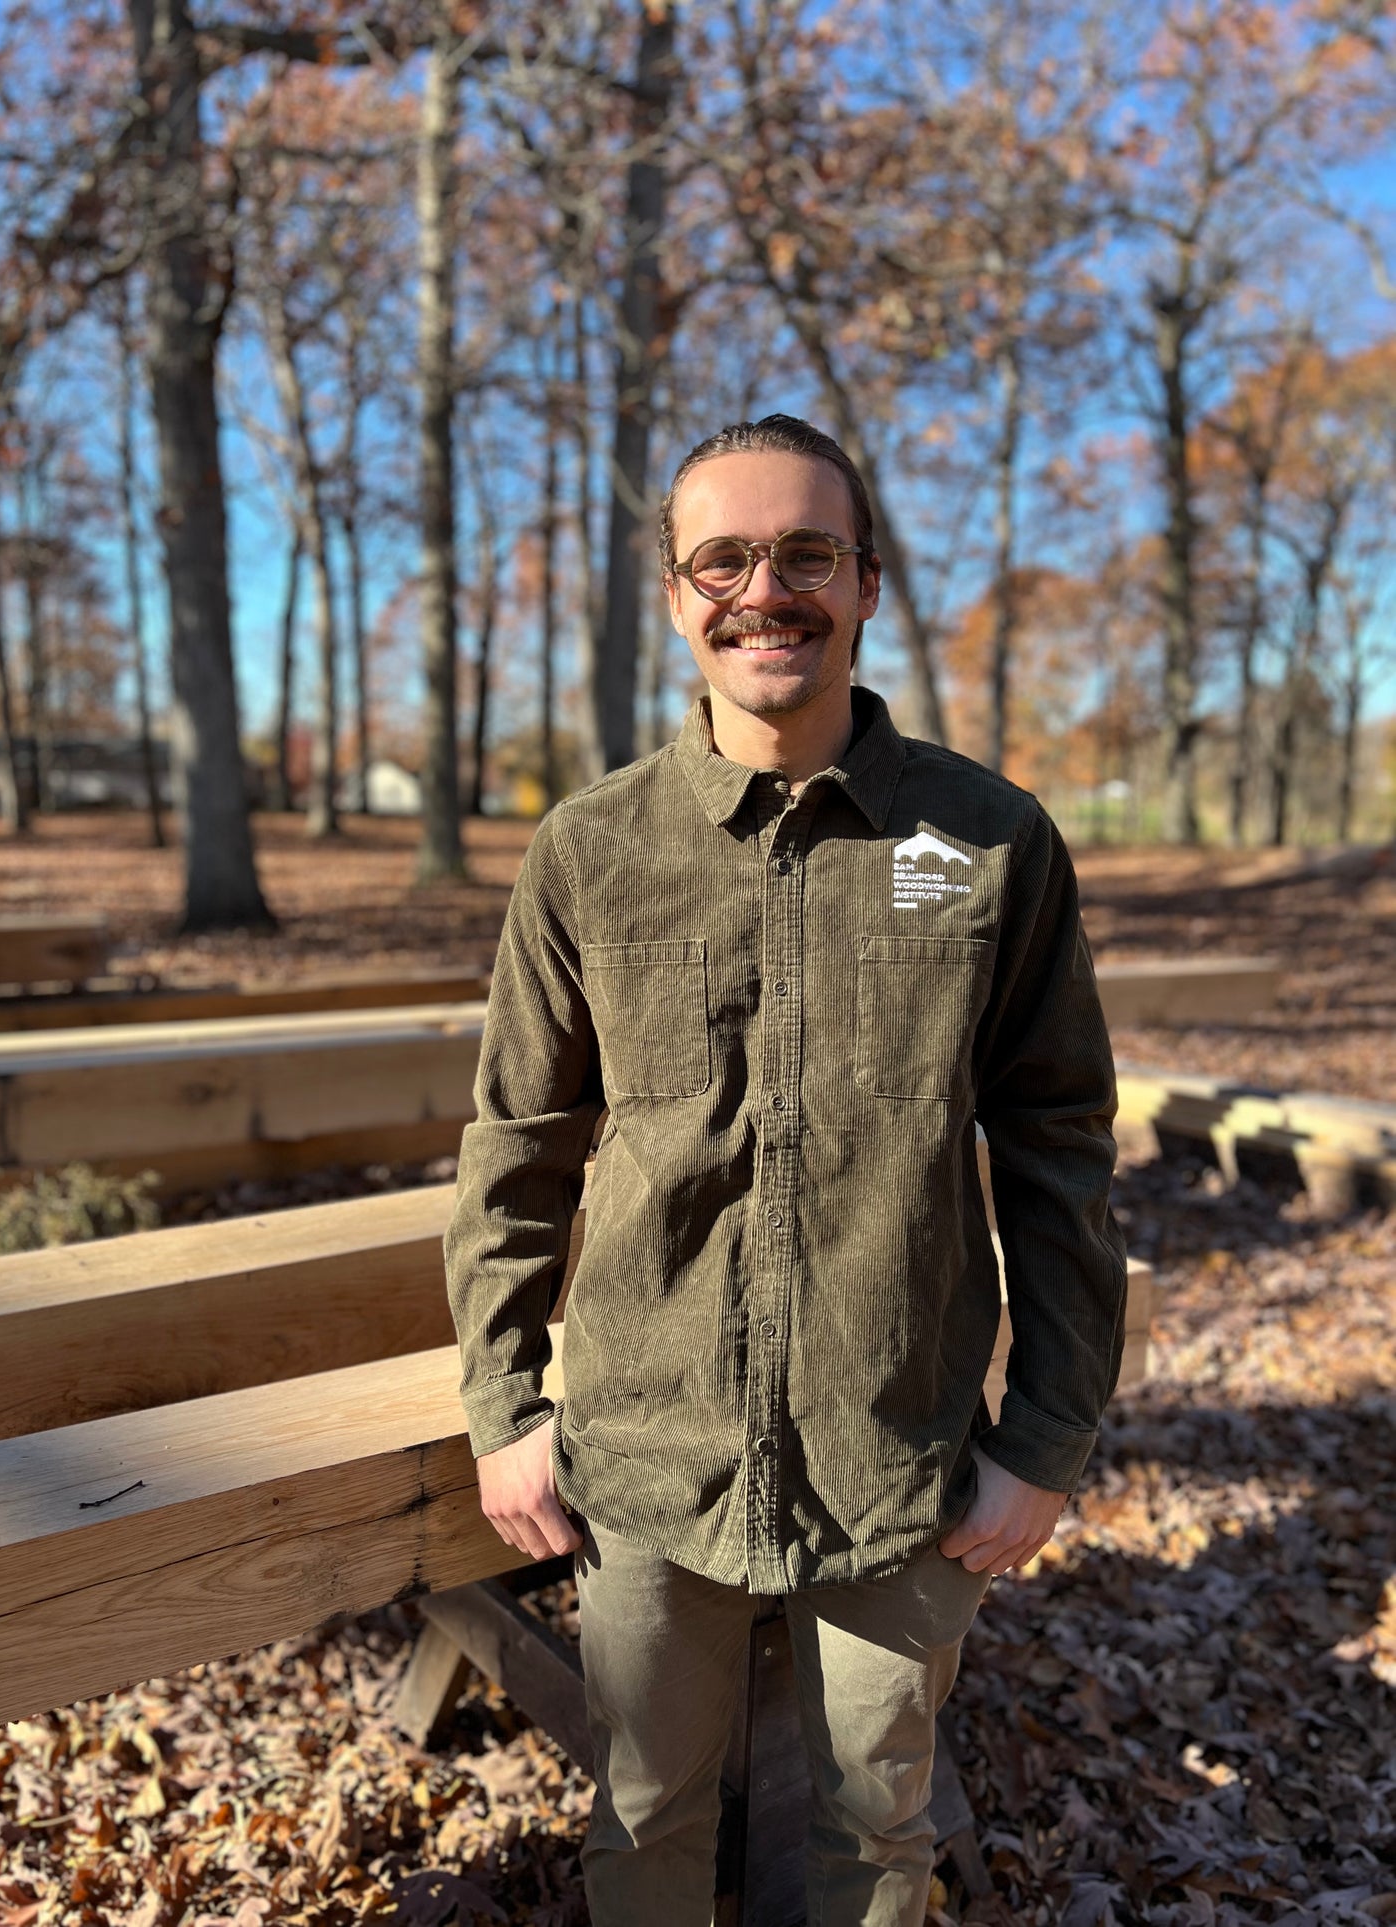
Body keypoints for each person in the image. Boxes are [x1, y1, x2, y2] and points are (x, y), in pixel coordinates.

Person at [445, 414, 1127, 1926]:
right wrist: (502, 1403)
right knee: (642, 1815)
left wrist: (1047, 1437)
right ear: (679, 592)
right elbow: (515, 1148)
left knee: (877, 1832)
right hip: (644, 1441)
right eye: (726, 558)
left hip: (899, 1450)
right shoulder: (590, 854)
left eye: (807, 552)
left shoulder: (987, 842)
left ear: (868, 581)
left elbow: (1059, 1154)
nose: (768, 589)